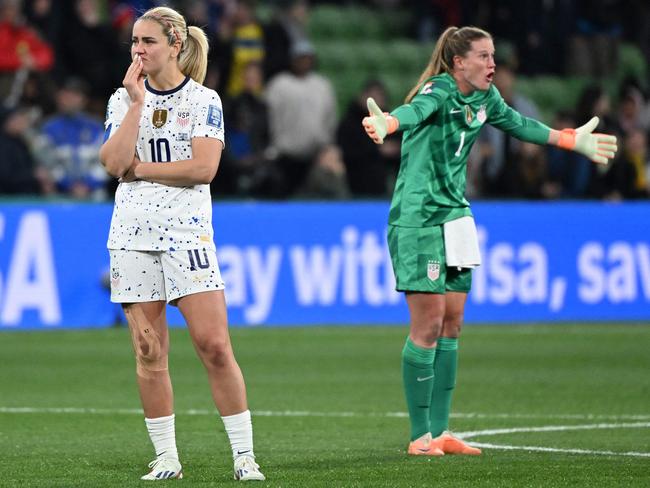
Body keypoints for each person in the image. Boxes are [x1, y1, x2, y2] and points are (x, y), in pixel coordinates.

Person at [361, 26, 618, 456]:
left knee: (453, 323)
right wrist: (388, 121)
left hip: (457, 217)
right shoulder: (439, 89)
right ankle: (420, 436)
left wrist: (570, 139)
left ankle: (441, 431)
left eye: (493, 55)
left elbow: (521, 126)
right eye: (483, 56)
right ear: (459, 62)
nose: (492, 64)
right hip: (419, 220)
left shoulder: (485, 98)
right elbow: (414, 112)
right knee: (426, 324)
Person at [98, 6, 265, 481]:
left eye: (148, 41)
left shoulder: (204, 100)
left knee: (213, 345)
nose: (138, 50)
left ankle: (243, 455)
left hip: (187, 235)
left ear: (175, 44)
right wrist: (135, 105)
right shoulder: (121, 99)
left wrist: (143, 170)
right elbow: (112, 162)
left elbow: (203, 169)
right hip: (131, 236)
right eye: (134, 42)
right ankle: (167, 458)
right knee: (149, 352)